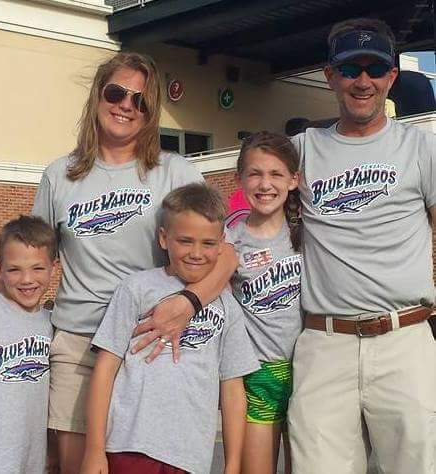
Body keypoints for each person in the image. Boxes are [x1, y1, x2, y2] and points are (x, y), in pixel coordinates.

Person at [32, 52, 237, 473]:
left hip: (151, 343)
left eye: (140, 100)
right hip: (80, 346)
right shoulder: (59, 175)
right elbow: (33, 258)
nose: (126, 105)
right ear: (98, 95)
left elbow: (226, 255)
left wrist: (188, 303)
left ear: (150, 111)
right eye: (116, 93)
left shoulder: (174, 171)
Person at [288, 18, 435, 474]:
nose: (363, 81)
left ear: (392, 75)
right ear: (330, 75)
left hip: (405, 338)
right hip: (324, 342)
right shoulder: (300, 150)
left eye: (375, 69)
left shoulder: (421, 147)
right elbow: (246, 222)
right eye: (351, 69)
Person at [80, 183, 260, 474]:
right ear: (164, 238)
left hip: (191, 458)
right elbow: (105, 368)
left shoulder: (228, 307)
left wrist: (233, 464)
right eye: (185, 241)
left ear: (222, 244)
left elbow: (232, 390)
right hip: (129, 446)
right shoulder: (136, 289)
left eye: (208, 243)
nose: (196, 253)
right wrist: (94, 450)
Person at [226, 132, 302, 474]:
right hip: (259, 374)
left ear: (293, 179)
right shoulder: (228, 238)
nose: (265, 184)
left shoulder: (309, 232)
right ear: (240, 178)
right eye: (255, 173)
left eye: (275, 174)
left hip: (309, 369)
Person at [0, 215, 57, 473]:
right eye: (14, 270)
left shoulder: (51, 323)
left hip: (28, 460)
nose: (27, 279)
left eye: (37, 268)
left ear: (53, 267)